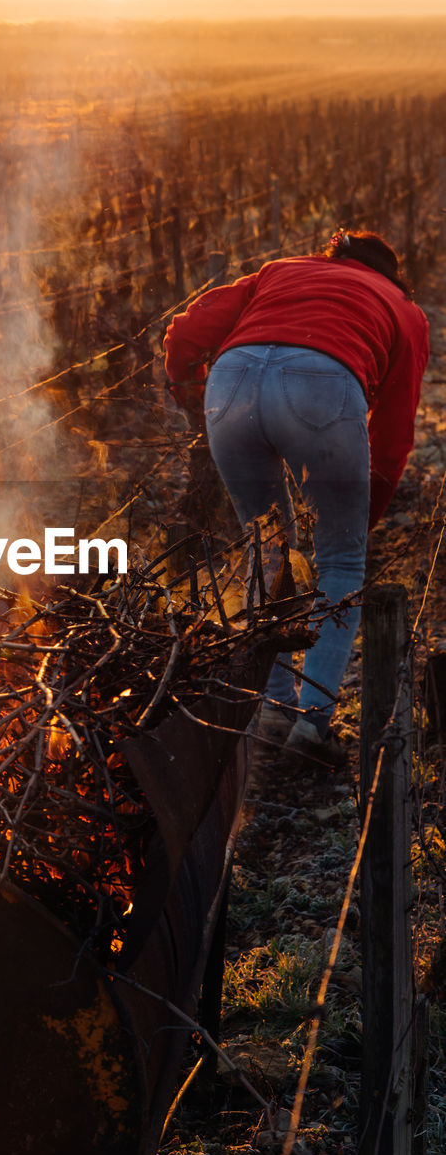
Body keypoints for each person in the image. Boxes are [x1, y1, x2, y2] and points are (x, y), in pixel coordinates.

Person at [163, 231, 429, 766]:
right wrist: (361, 517)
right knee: (339, 559)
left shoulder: (279, 270)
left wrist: (193, 401)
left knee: (267, 551)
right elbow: (395, 432)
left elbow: (185, 333)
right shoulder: (403, 310)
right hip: (324, 383)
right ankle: (311, 727)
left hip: (232, 381)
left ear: (333, 258)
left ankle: (272, 709)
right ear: (391, 274)